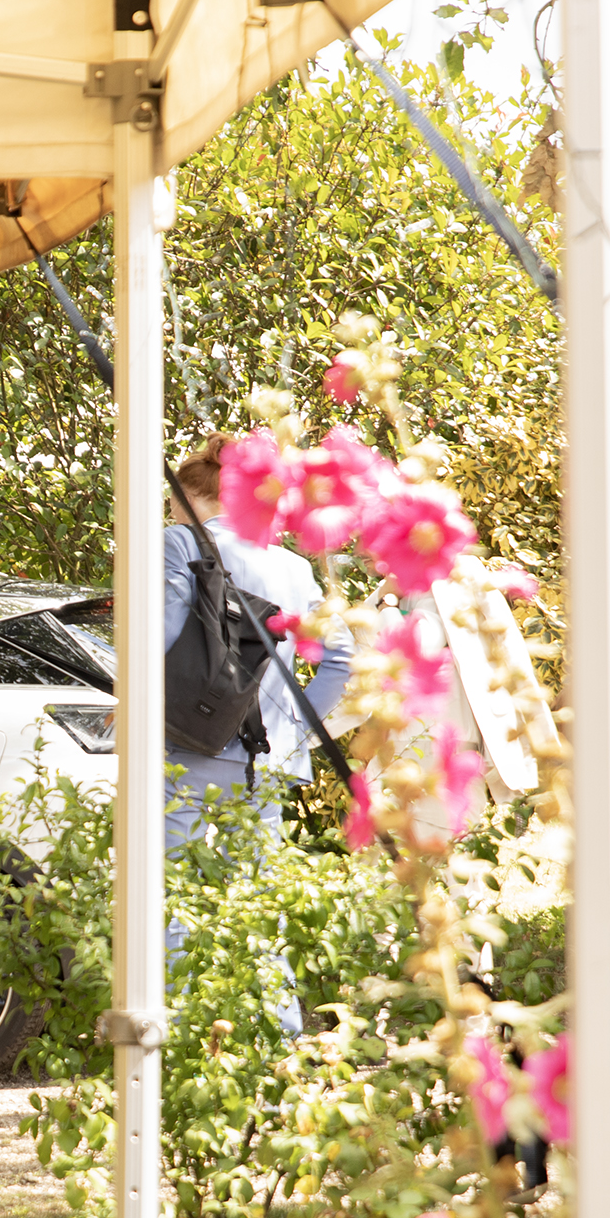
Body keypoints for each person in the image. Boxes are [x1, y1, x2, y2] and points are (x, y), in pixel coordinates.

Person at [162, 434, 359, 1033]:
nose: (172, 514)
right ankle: (278, 1038)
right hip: (266, 760)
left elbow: (160, 639)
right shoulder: (295, 568)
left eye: (173, 504)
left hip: (188, 746)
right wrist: (295, 733)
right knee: (257, 900)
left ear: (194, 498)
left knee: (172, 895)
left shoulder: (180, 543)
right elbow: (342, 659)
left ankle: (177, 1032)